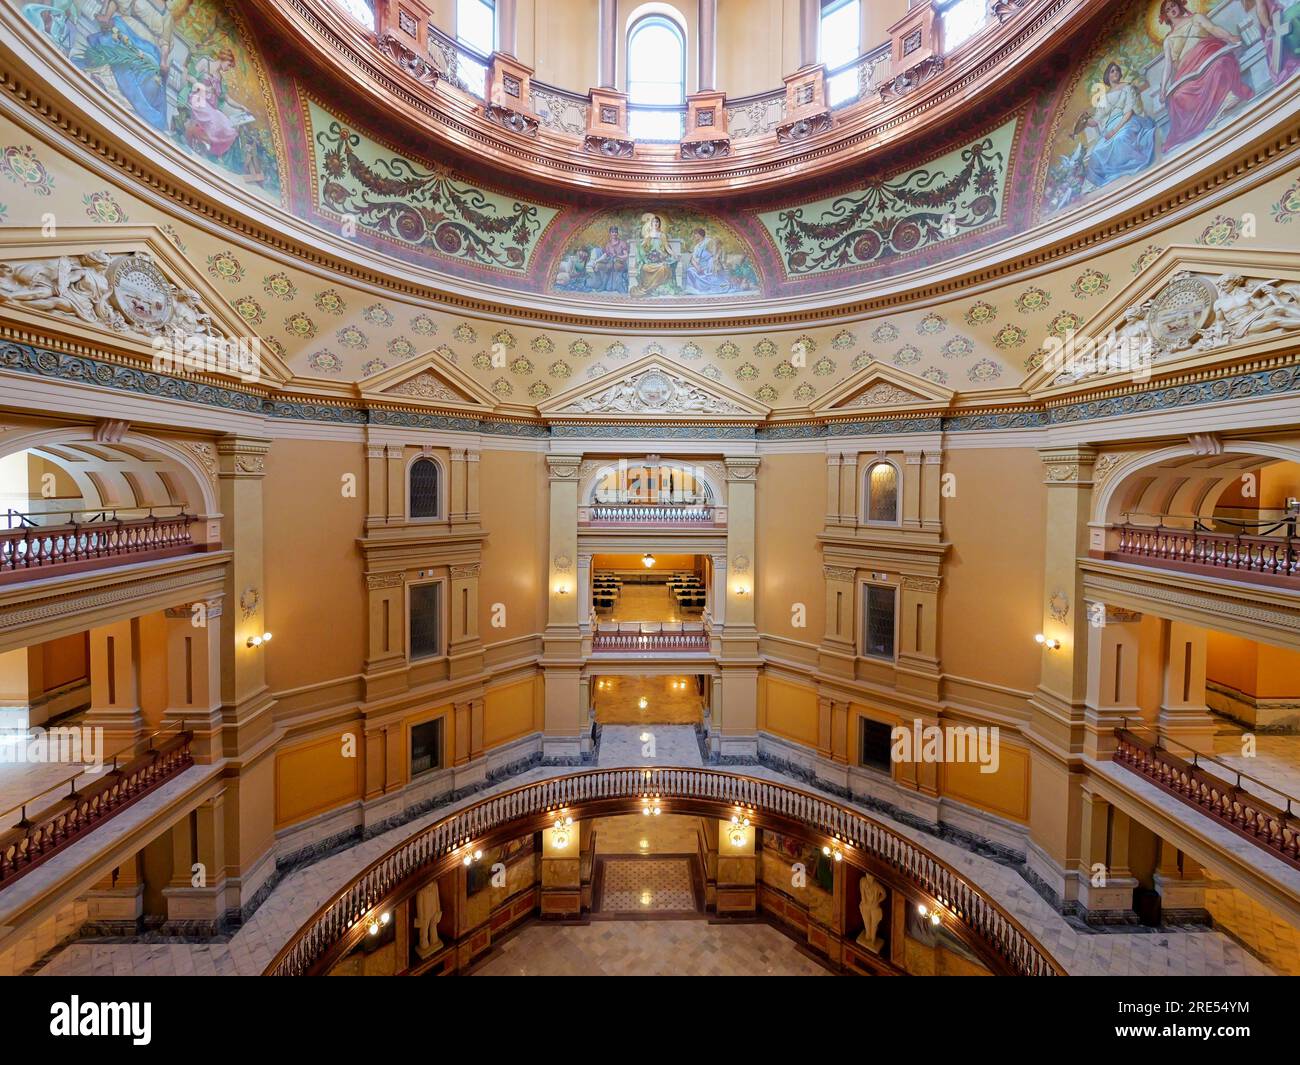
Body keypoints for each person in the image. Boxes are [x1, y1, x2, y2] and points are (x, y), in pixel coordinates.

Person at [1158, 0, 1252, 152]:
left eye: (1173, 6)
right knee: (1178, 96)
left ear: (1179, 5)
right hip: (1187, 70)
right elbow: (1168, 64)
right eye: (1168, 9)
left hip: (1208, 53)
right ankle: (1213, 114)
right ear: (1166, 16)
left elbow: (1213, 29)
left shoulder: (1196, 18)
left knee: (1219, 66)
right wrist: (1163, 89)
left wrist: (1230, 37)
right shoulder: (1168, 40)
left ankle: (1225, 100)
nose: (1172, 10)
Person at [1083, 63, 1157, 187]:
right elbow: (1096, 120)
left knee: (1120, 139)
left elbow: (1129, 111)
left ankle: (1133, 171)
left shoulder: (1127, 87)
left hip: (1128, 121)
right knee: (1096, 152)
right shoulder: (1104, 98)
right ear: (1107, 76)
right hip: (1110, 126)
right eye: (1112, 71)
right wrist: (1084, 120)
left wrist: (1114, 131)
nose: (1115, 73)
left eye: (1117, 70)